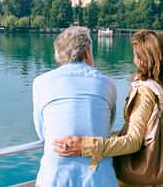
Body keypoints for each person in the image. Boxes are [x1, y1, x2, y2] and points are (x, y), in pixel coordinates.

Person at [52, 30, 163, 187]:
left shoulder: (146, 91)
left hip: (140, 173)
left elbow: (133, 141)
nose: (134, 60)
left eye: (136, 56)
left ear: (146, 59)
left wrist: (86, 145)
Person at [32, 27, 117, 187]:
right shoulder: (108, 84)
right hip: (99, 179)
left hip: (55, 178)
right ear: (87, 52)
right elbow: (107, 127)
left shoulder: (40, 83)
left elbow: (42, 133)